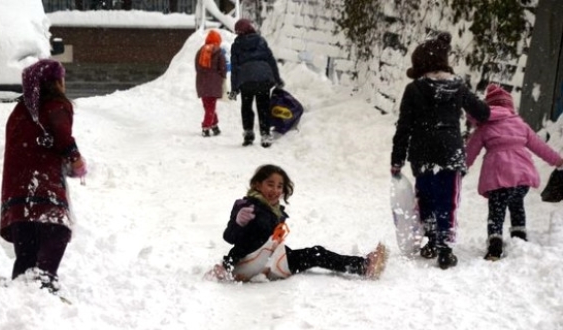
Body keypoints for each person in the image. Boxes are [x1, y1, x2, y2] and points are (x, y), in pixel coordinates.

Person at [390, 32, 490, 270]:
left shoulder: (413, 89)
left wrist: (397, 160)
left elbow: (404, 127)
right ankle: (445, 248)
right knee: (447, 200)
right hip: (449, 153)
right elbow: (483, 113)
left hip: (422, 153)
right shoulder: (458, 87)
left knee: (426, 197)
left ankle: (432, 241)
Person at [208, 164, 387, 282]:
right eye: (270, 184)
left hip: (268, 260)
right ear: (257, 185)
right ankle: (364, 266)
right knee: (317, 254)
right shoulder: (247, 206)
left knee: (314, 253)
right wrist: (238, 223)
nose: (275, 190)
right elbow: (231, 237)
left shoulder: (276, 212)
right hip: (247, 262)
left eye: (279, 186)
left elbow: (269, 239)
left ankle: (362, 265)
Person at [0, 59, 87, 292]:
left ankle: (22, 291)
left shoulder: (19, 111)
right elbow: (62, 136)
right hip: (44, 186)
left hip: (17, 192)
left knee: (26, 251)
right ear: (55, 82)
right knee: (57, 230)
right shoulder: (56, 105)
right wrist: (76, 160)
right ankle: (44, 281)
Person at [466, 84, 563, 260]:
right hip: (521, 177)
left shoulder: (485, 127)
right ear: (510, 107)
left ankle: (495, 246)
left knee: (497, 210)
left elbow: (470, 151)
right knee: (517, 204)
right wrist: (558, 161)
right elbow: (540, 147)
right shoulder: (520, 124)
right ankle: (519, 237)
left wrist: (459, 168)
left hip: (498, 177)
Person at [229, 19, 284, 148]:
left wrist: (234, 89)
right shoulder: (260, 41)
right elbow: (271, 61)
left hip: (246, 80)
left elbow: (235, 67)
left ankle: (248, 133)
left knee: (246, 106)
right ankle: (265, 135)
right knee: (263, 106)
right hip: (263, 79)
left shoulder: (237, 44)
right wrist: (277, 79)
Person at [195, 29, 227, 137]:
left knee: (207, 105)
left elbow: (197, 66)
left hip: (201, 82)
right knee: (211, 106)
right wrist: (222, 77)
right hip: (213, 83)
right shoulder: (218, 51)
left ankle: (214, 126)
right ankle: (206, 127)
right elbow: (223, 67)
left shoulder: (200, 51)